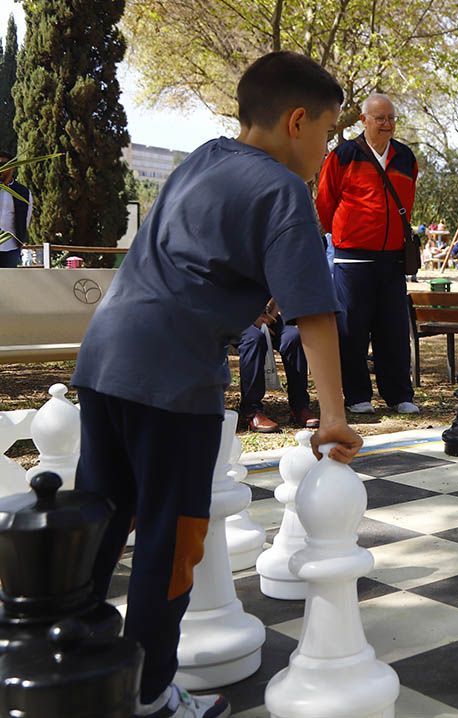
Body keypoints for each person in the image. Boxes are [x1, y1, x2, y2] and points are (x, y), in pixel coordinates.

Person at [70, 51, 363, 718]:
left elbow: (192, 257)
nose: (327, 149)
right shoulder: (284, 190)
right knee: (171, 544)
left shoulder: (201, 158)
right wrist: (333, 417)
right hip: (172, 376)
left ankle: (74, 667)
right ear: (296, 122)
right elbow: (314, 313)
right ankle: (149, 698)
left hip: (106, 354)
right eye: (328, 132)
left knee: (100, 521)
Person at [317, 93, 420, 416]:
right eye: (380, 118)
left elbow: (408, 200)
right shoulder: (343, 156)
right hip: (351, 259)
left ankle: (399, 394)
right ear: (363, 120)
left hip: (392, 259)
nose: (387, 124)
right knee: (352, 329)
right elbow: (325, 202)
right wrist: (347, 232)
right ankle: (358, 396)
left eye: (391, 118)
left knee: (393, 329)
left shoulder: (405, 158)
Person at [237, 299, 318, 432]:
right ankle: (251, 411)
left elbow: (277, 291)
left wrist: (270, 316)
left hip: (266, 314)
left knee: (293, 337)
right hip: (234, 316)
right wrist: (251, 318)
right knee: (254, 339)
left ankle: (299, 405)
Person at [0, 149, 31, 268]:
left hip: (10, 247)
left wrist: (20, 240)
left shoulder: (23, 192)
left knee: (9, 282)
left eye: (4, 165)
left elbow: (25, 218)